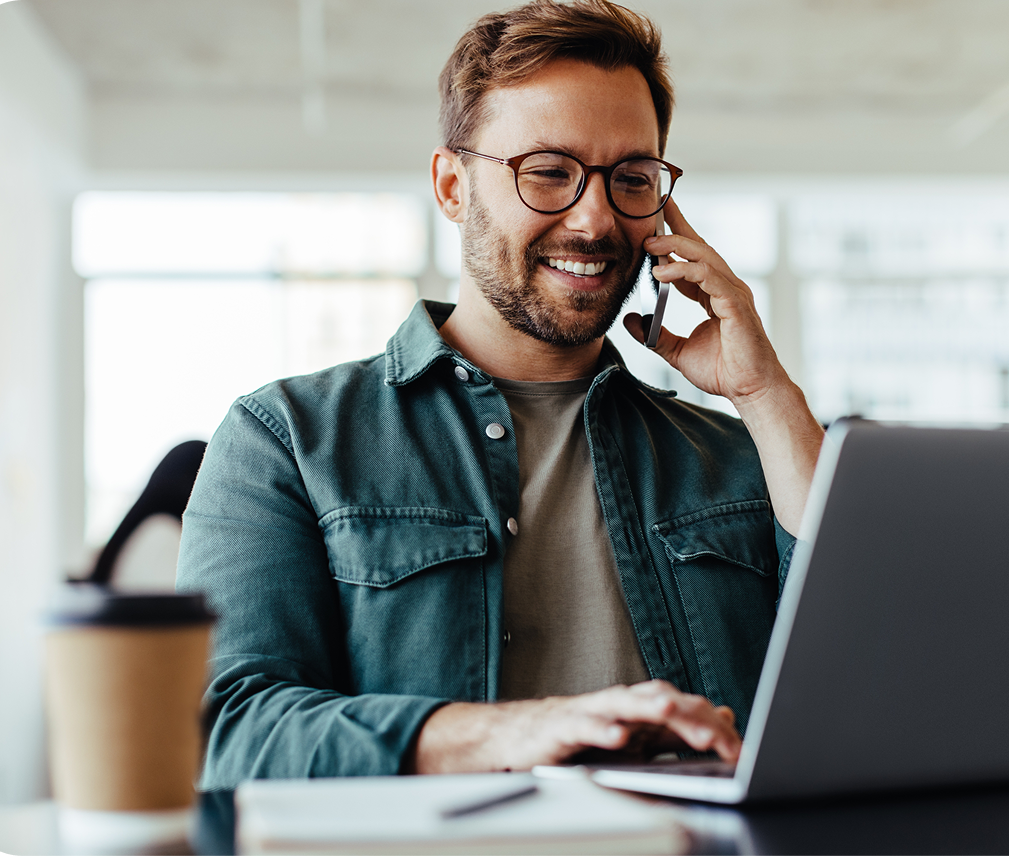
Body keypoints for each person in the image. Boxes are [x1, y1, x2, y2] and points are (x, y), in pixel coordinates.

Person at [177, 0, 825, 788]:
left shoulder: (737, 456)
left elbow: (873, 681)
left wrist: (764, 395)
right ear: (452, 185)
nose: (595, 220)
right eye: (548, 171)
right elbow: (224, 733)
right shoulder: (286, 440)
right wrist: (519, 730)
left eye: (631, 179)